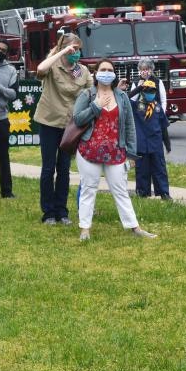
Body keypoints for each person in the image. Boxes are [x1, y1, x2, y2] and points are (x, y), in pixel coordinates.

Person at [71, 60, 155, 240]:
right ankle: (85, 229)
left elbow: (129, 126)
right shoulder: (87, 94)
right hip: (89, 151)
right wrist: (96, 106)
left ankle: (135, 227)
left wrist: (131, 153)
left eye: (110, 70)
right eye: (103, 70)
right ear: (96, 73)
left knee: (120, 190)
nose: (107, 73)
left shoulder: (122, 96)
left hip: (116, 151)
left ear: (115, 74)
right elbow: (77, 119)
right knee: (89, 188)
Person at [33, 30, 92, 224]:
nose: (76, 53)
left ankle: (62, 211)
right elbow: (40, 68)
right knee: (49, 168)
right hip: (49, 121)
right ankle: (48, 212)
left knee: (64, 169)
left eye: (78, 49)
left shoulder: (81, 71)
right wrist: (60, 52)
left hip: (70, 125)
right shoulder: (53, 65)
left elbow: (93, 91)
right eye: (73, 49)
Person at [0, 39, 18, 198]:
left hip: (1, 118)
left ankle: (7, 192)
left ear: (7, 53)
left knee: (4, 156)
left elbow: (14, 94)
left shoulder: (11, 70)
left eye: (3, 50)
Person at [131, 79, 171, 199]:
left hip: (156, 144)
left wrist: (167, 144)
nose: (151, 93)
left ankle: (164, 192)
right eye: (148, 91)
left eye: (153, 91)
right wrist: (138, 88)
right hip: (142, 144)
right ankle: (142, 193)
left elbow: (164, 127)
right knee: (142, 170)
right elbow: (124, 98)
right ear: (143, 92)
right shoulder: (135, 105)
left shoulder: (157, 107)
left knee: (160, 169)